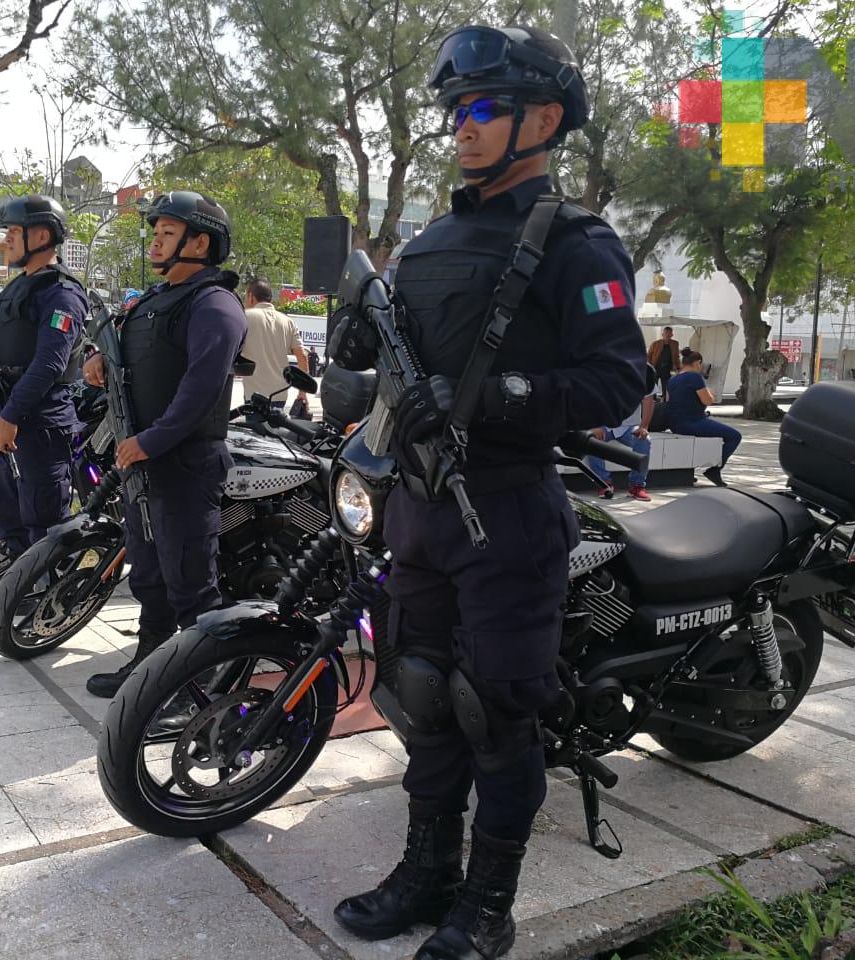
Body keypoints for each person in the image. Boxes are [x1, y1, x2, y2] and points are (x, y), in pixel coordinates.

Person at [327, 25, 645, 960]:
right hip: (417, 508)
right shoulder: (430, 241)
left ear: (543, 120)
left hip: (505, 511)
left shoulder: (579, 244)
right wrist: (353, 354)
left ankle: (488, 904)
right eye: (455, 112)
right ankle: (425, 872)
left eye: (481, 110)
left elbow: (616, 380)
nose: (460, 128)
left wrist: (507, 396)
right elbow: (390, 366)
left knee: (498, 713)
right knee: (420, 698)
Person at [81, 190, 248, 698]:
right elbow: (131, 356)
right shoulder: (152, 301)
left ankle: (204, 691)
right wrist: (98, 360)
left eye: (167, 233)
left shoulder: (214, 304)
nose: (155, 241)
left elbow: (200, 390)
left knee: (191, 585)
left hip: (184, 462)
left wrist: (150, 441)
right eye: (154, 233)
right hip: (143, 462)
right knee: (149, 574)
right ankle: (150, 670)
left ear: (201, 241)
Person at [0, 195, 88, 617]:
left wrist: (12, 416)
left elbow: (50, 363)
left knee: (44, 520)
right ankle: (16, 593)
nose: (7, 242)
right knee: (10, 511)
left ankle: (50, 599)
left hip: (39, 423)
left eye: (13, 234)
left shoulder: (62, 294)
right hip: (8, 415)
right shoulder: (18, 286)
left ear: (41, 235)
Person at [667, 348, 740, 487]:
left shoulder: (673, 379)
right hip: (693, 422)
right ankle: (714, 470)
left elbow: (669, 400)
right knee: (734, 436)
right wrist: (711, 393)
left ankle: (687, 470)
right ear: (698, 363)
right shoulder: (695, 377)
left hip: (675, 422)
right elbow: (707, 400)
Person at [587, 365, 659, 501]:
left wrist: (644, 426)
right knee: (591, 439)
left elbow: (648, 400)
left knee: (644, 439)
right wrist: (594, 425)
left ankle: (636, 486)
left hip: (629, 426)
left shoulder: (645, 371)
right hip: (604, 424)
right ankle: (603, 483)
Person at [241, 278, 310, 406]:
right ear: (270, 298)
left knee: (256, 426)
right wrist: (303, 391)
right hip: (280, 394)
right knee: (276, 426)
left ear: (251, 296)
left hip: (254, 395)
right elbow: (302, 356)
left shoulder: (244, 317)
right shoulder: (287, 321)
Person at [647, 326, 680, 400]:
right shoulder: (655, 344)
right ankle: (653, 399)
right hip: (655, 367)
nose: (668, 335)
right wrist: (650, 367)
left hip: (669, 368)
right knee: (653, 384)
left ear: (672, 335)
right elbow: (649, 356)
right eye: (666, 333)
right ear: (662, 334)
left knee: (667, 384)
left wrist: (678, 367)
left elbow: (677, 356)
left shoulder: (675, 344)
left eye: (669, 334)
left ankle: (665, 399)